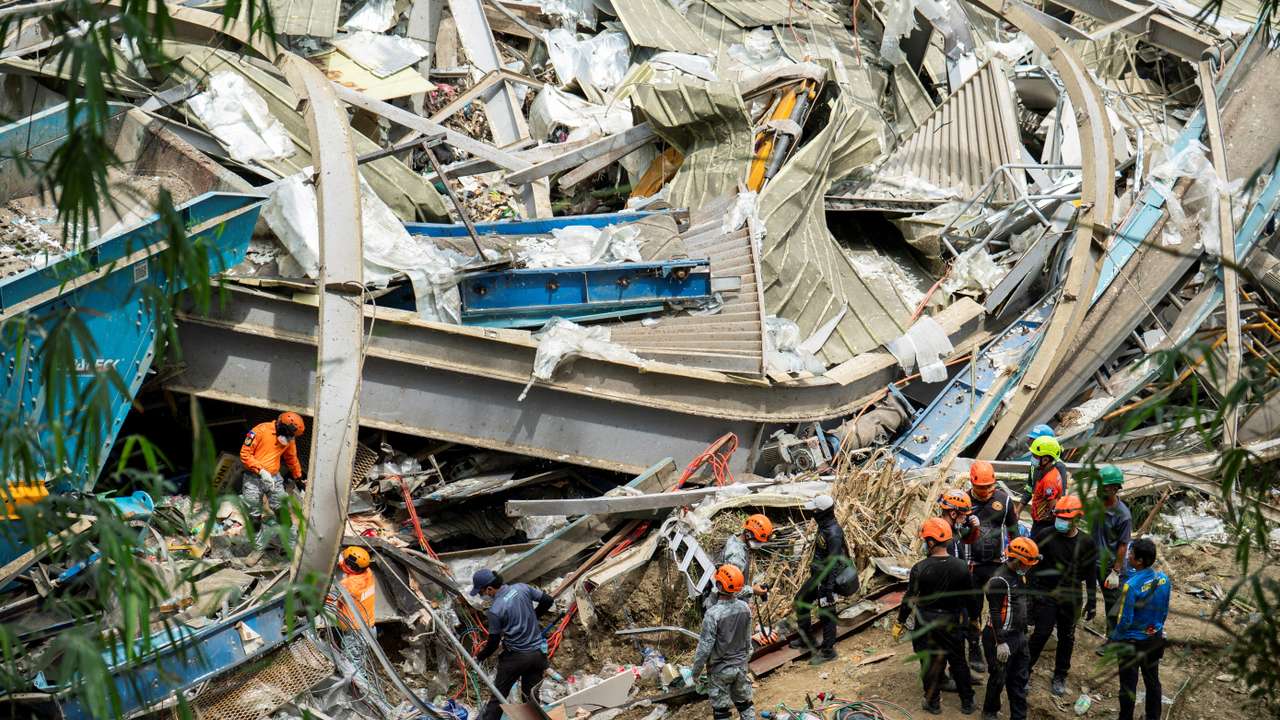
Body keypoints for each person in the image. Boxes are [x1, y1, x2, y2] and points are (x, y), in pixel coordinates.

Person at [894, 518, 977, 715]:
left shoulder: (920, 568)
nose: (924, 543)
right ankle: (967, 702)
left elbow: (909, 599)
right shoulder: (961, 566)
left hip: (926, 623)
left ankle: (933, 702)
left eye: (925, 540)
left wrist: (900, 621)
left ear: (931, 543)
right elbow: (970, 598)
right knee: (958, 661)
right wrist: (974, 620)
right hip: (951, 621)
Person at [1028, 496, 1099, 696]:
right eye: (1058, 517)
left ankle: (1060, 675)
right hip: (1047, 593)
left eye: (1065, 518)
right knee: (1041, 633)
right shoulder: (1044, 535)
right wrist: (1032, 593)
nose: (1060, 521)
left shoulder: (1086, 542)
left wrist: (1092, 601)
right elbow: (1031, 564)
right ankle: (1025, 671)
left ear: (1076, 519)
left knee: (1067, 637)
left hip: (1072, 596)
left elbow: (1091, 573)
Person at [470, 568, 555, 720]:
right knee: (531, 700)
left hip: (516, 658)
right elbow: (548, 600)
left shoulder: (495, 610)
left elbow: (494, 642)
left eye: (482, 592)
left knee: (498, 698)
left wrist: (479, 657)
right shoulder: (522, 587)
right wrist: (533, 616)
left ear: (490, 588)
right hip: (537, 655)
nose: (483, 596)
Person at [966, 460, 1020, 674]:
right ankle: (973, 648)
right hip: (971, 565)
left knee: (998, 607)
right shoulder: (963, 501)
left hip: (996, 564)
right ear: (972, 483)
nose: (987, 491)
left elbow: (1013, 530)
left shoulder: (1003, 500)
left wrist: (1015, 559)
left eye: (990, 486)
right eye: (981, 487)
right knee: (973, 609)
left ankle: (997, 643)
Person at [981, 537, 1040, 720]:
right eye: (1027, 563)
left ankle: (1019, 716)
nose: (1030, 566)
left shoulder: (1019, 575)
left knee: (1019, 680)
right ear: (1017, 560)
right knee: (998, 678)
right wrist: (1000, 642)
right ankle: (990, 712)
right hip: (999, 637)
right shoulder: (999, 580)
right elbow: (995, 611)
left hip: (1019, 637)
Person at [1111, 539, 1170, 720]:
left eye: (1131, 553)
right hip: (1154, 637)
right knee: (1153, 681)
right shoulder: (1163, 579)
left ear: (1140, 561)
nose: (1128, 556)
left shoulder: (1132, 585)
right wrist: (1156, 629)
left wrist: (1116, 637)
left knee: (1128, 685)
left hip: (1131, 642)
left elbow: (1125, 620)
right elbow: (1165, 610)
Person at [790, 494, 851, 664]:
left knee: (826, 612)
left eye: (815, 511)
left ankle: (828, 650)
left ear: (822, 513)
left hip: (827, 579)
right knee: (801, 600)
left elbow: (833, 562)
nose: (812, 514)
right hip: (819, 576)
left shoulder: (833, 533)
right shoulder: (824, 526)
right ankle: (806, 638)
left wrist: (829, 589)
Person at [691, 565, 756, 720]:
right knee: (745, 704)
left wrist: (696, 672)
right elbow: (748, 641)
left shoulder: (712, 614)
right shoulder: (745, 608)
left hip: (720, 670)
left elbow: (704, 648)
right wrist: (745, 660)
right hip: (740, 666)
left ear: (719, 585)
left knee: (721, 711)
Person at [239, 411, 306, 552]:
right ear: (281, 425)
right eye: (288, 435)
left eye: (291, 436)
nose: (289, 439)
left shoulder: (289, 439)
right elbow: (245, 454)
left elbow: (292, 458)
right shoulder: (260, 431)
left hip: (274, 478)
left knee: (282, 513)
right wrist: (261, 471)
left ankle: (291, 546)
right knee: (254, 518)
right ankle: (258, 548)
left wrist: (298, 478)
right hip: (253, 479)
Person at [1093, 465, 1132, 635]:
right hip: (1093, 560)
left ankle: (1112, 639)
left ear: (1115, 488)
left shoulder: (1123, 515)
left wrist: (1116, 571)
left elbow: (1123, 544)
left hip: (1109, 567)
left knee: (1112, 604)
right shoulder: (1099, 504)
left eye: (1104, 487)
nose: (1100, 489)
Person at [718, 514, 775, 600]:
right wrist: (752, 590)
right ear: (748, 535)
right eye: (759, 541)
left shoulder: (738, 540)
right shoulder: (736, 556)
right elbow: (730, 589)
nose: (760, 544)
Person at [1026, 435, 1068, 537]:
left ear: (1045, 460)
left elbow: (1053, 507)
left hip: (1042, 524)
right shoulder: (1051, 472)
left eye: (1035, 456)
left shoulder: (1049, 481)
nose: (1033, 459)